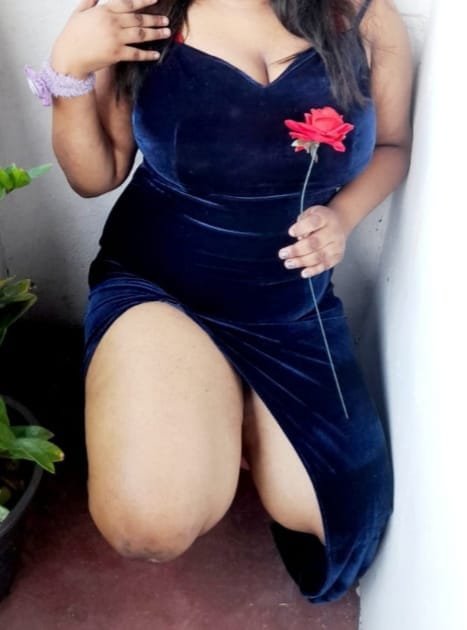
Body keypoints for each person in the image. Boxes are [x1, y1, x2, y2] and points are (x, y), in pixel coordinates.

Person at [39, 0, 412, 604]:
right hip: (162, 286)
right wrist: (70, 66)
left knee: (343, 537)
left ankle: (228, 405)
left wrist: (342, 218)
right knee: (148, 524)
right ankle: (197, 388)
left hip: (288, 306)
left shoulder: (365, 17)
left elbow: (393, 144)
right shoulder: (142, 11)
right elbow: (95, 175)